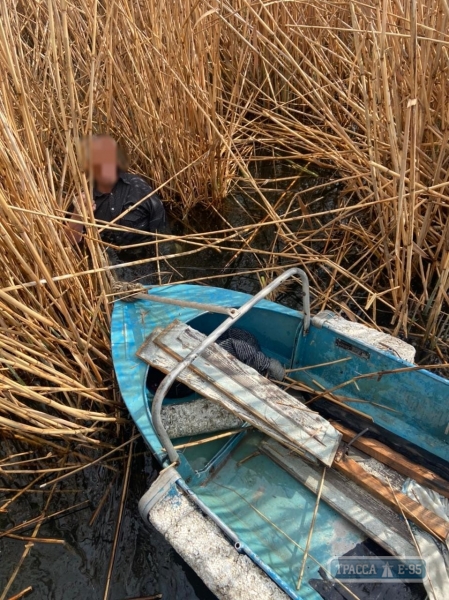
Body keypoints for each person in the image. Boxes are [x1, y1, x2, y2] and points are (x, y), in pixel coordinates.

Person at [67, 135, 169, 283]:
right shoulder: (82, 199)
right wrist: (78, 216)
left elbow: (162, 236)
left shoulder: (140, 189)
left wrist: (164, 278)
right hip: (105, 274)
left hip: (144, 266)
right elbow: (69, 243)